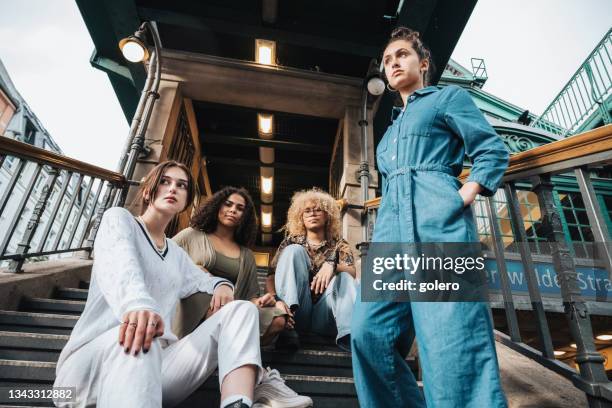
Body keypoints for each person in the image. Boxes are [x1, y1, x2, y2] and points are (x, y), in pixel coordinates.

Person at [53, 161, 309, 408]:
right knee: (146, 335)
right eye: (164, 182)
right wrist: (138, 306)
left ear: (187, 200)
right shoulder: (120, 220)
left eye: (182, 185)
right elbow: (122, 265)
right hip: (88, 371)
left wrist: (223, 285)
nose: (173, 188)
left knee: (242, 310)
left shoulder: (175, 254)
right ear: (147, 190)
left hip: (156, 369)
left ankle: (237, 401)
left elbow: (204, 281)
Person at [350, 27, 510, 408]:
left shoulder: (447, 98)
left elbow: (491, 150)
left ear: (422, 63)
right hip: (391, 232)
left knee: (449, 339)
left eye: (401, 55)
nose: (393, 64)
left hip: (437, 221)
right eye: (387, 61)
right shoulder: (387, 134)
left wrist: (462, 196)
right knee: (368, 333)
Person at [172, 186, 295, 347]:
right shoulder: (191, 235)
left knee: (278, 319)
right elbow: (163, 261)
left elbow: (251, 297)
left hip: (233, 307)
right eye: (228, 204)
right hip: (195, 304)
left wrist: (264, 301)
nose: (232, 210)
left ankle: (226, 352)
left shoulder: (247, 255)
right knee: (219, 305)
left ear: (245, 216)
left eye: (240, 208)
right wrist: (198, 271)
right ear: (217, 206)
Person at [267, 188, 357, 352]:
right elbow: (271, 277)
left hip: (326, 315)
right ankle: (287, 325)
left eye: (318, 209)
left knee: (344, 276)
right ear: (301, 217)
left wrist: (332, 266)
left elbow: (352, 272)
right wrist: (276, 302)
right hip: (298, 312)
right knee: (294, 250)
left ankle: (351, 337)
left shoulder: (339, 243)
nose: (312, 214)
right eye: (307, 211)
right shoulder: (290, 241)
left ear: (327, 215)